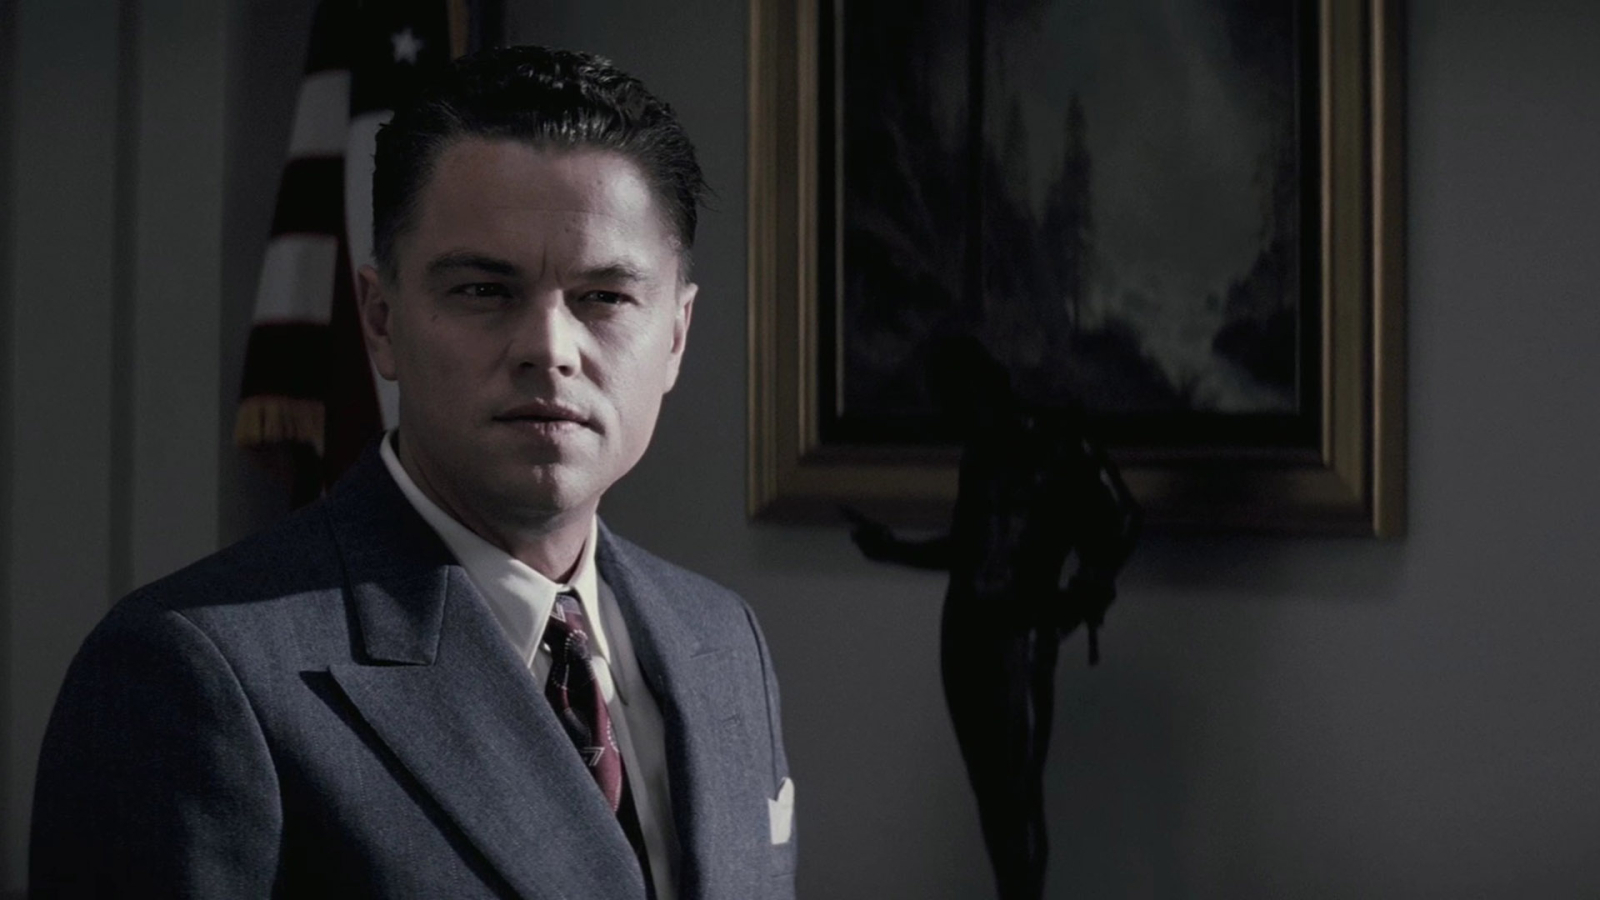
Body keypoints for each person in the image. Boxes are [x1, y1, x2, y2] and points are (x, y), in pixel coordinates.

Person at [30, 46, 795, 900]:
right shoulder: (187, 674)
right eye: (484, 291)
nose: (549, 348)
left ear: (677, 336)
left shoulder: (721, 640)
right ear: (381, 320)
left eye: (604, 297)